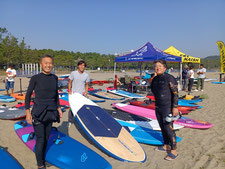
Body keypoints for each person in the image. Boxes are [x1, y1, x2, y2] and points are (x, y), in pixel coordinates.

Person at [25, 55, 63, 169]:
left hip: (51, 111)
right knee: (40, 138)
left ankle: (42, 158)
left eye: (50, 63)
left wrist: (59, 108)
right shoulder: (35, 78)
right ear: (41, 64)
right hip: (38, 111)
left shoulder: (54, 78)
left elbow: (56, 95)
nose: (48, 65)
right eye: (46, 63)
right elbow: (28, 96)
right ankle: (40, 165)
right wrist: (27, 112)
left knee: (46, 138)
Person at [150, 59, 179, 161]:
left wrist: (175, 107)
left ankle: (174, 151)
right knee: (162, 127)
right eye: (156, 66)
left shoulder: (169, 78)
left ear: (165, 68)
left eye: (160, 66)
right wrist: (153, 78)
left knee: (169, 128)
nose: (157, 68)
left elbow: (175, 93)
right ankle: (166, 145)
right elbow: (153, 90)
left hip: (168, 107)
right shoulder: (154, 79)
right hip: (158, 107)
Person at [67, 60, 90, 127]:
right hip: (74, 94)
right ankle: (69, 121)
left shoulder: (86, 75)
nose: (82, 67)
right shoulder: (73, 73)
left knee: (81, 109)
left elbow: (86, 84)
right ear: (78, 66)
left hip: (82, 95)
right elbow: (70, 82)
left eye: (83, 65)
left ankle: (81, 121)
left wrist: (86, 92)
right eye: (80, 65)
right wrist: (69, 90)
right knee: (71, 108)